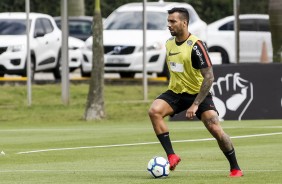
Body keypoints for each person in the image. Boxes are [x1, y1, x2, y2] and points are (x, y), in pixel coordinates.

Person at [148, 7, 243, 177]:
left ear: (184, 23)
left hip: (198, 94)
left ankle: (235, 167)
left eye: (173, 21)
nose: (169, 25)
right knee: (154, 111)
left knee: (215, 128)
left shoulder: (196, 46)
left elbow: (209, 77)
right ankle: (172, 155)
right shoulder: (169, 43)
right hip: (176, 93)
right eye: (168, 21)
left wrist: (195, 104)